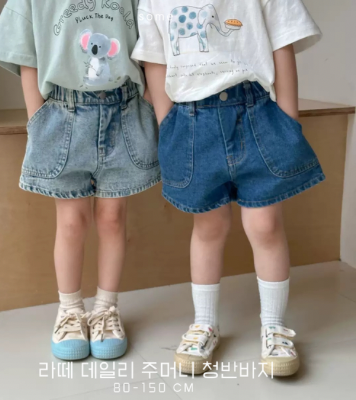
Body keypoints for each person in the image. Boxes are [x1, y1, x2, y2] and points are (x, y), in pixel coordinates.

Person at [132, 0, 323, 376]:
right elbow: (155, 58)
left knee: (265, 225)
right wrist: (167, 124)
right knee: (208, 227)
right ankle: (204, 323)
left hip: (256, 113)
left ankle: (274, 326)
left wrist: (288, 121)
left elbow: (282, 42)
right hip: (190, 121)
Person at [0, 0, 160, 361]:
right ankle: (70, 311)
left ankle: (106, 309)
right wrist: (37, 117)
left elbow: (154, 41)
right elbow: (26, 52)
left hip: (125, 111)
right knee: (71, 222)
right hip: (61, 113)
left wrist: (148, 101)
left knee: (113, 218)